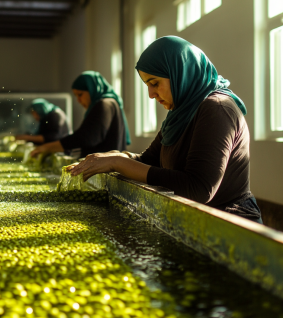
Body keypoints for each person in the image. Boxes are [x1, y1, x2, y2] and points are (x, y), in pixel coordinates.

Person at [68, 36, 262, 223]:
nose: (151, 95)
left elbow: (199, 188)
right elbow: (147, 161)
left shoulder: (217, 109)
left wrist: (119, 163)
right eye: (147, 85)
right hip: (197, 222)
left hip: (231, 225)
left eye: (154, 84)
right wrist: (113, 157)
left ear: (180, 73)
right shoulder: (181, 113)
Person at [30, 71, 131, 158]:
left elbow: (87, 137)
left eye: (80, 94)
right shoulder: (110, 103)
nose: (78, 100)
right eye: (76, 96)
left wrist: (47, 147)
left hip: (104, 170)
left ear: (92, 89)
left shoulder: (105, 104)